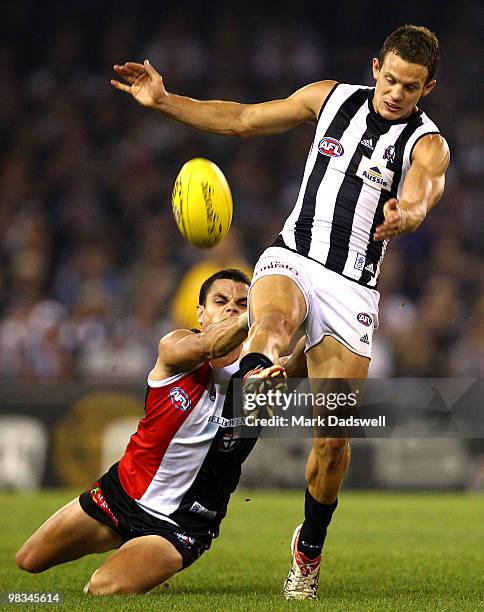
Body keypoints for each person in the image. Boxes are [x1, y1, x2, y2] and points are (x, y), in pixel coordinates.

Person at [111, 24, 450, 599]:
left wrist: (409, 214)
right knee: (267, 328)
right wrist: (165, 101)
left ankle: (308, 550)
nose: (396, 92)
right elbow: (242, 118)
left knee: (332, 441)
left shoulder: (427, 142)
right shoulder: (328, 98)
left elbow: (424, 188)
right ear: (375, 68)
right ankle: (257, 373)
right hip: (292, 258)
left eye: (410, 87)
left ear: (427, 89)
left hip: (353, 291)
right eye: (390, 78)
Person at [16, 269, 257, 595]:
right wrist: (256, 314)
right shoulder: (176, 346)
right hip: (120, 493)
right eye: (221, 301)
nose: (231, 308)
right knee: (28, 559)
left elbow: (247, 442)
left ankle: (146, 564)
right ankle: (136, 561)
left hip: (179, 523)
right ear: (200, 312)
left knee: (100, 589)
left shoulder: (262, 377)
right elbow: (209, 346)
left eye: (243, 303)